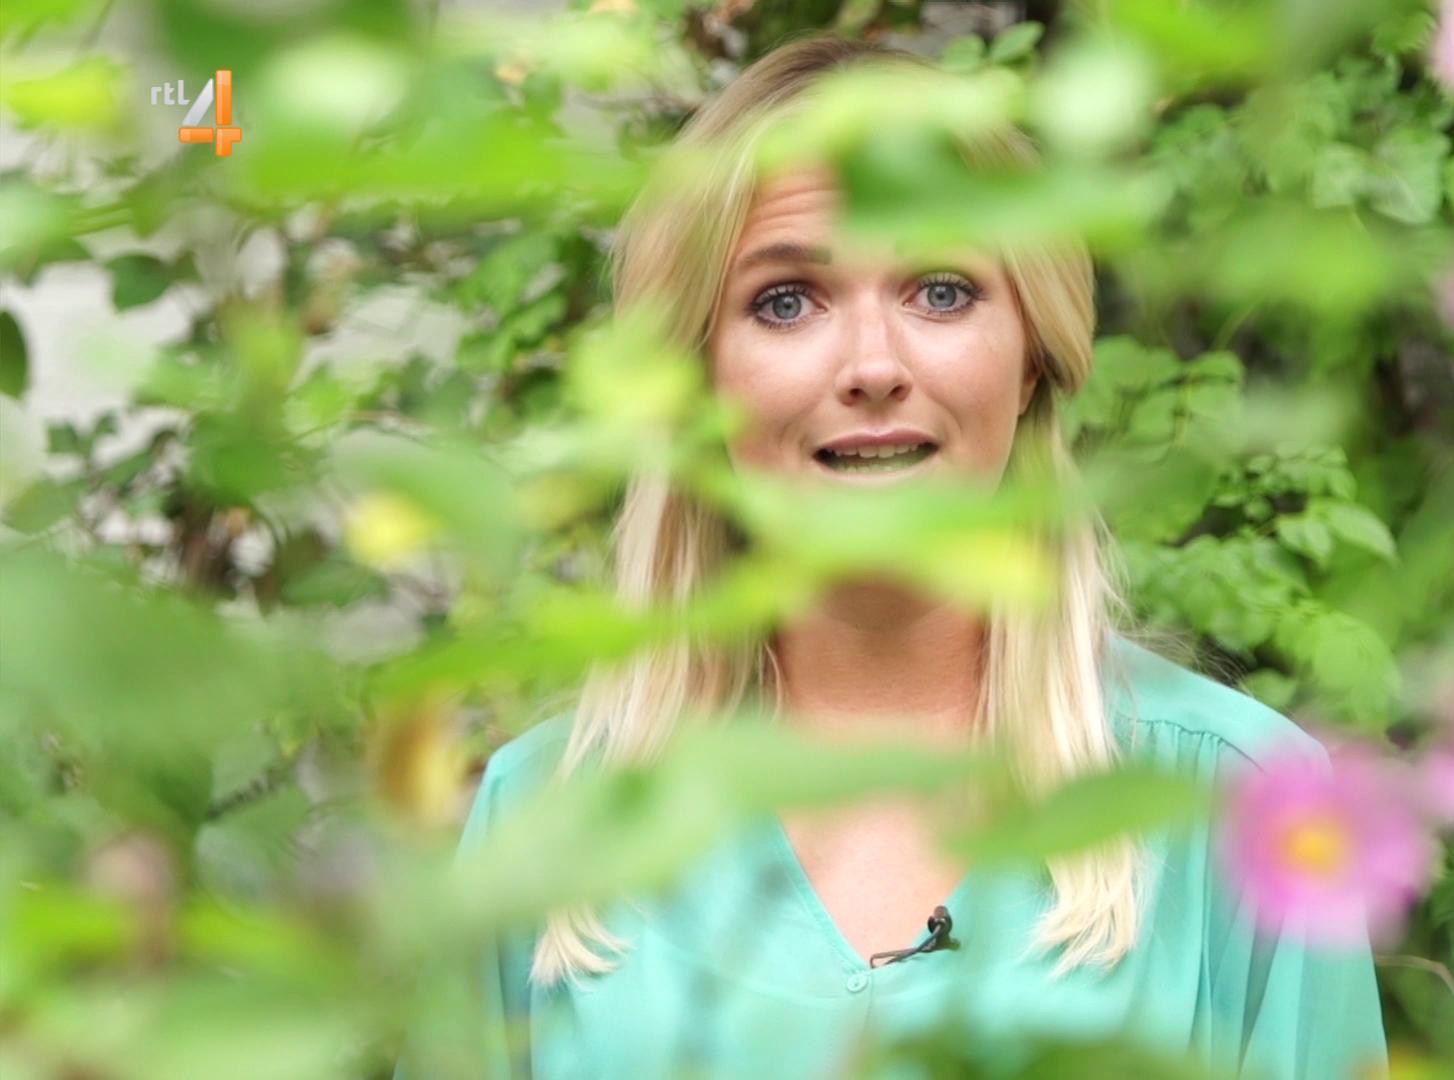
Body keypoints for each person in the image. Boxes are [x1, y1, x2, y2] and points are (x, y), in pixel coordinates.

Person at [397, 31, 1386, 1080]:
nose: (873, 366)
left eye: (942, 289)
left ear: (1033, 360)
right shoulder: (540, 819)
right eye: (786, 301)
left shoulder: (1244, 803)